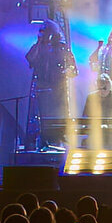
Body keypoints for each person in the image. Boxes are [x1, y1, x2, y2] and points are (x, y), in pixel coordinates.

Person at [25, 21, 77, 150]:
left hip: (58, 89)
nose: (42, 34)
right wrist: (39, 43)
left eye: (45, 31)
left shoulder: (62, 48)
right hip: (41, 88)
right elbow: (30, 59)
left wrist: (67, 71)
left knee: (58, 115)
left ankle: (58, 140)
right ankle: (42, 141)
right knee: (40, 117)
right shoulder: (38, 47)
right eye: (41, 31)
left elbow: (73, 68)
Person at [82, 74, 112, 150]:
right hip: (94, 131)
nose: (102, 91)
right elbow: (85, 116)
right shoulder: (91, 97)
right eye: (99, 88)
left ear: (109, 86)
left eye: (104, 88)